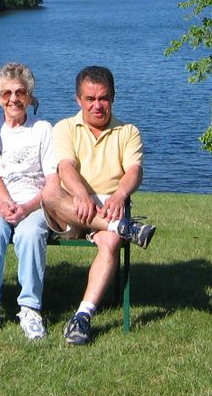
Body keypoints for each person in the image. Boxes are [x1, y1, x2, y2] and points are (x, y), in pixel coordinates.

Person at [42, 65, 156, 345]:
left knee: (110, 243)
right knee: (50, 193)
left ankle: (82, 316)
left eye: (103, 98)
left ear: (113, 97)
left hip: (108, 208)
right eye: (90, 99)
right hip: (70, 208)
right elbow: (65, 166)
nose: (97, 106)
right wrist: (80, 193)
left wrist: (118, 196)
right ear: (78, 99)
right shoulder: (65, 128)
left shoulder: (127, 132)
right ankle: (125, 228)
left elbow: (134, 171)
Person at [0, 62, 57, 340]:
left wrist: (28, 207)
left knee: (31, 233)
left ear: (29, 97)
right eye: (6, 93)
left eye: (20, 92)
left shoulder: (43, 129)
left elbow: (52, 182)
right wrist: (1, 205)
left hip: (35, 203)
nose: (13, 99)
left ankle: (30, 307)